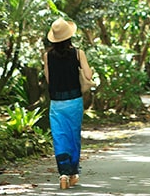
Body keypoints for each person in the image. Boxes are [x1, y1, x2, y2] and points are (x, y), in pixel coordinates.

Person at [43, 17, 93, 190]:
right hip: (74, 102)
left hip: (57, 102)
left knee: (59, 137)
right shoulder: (78, 53)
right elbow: (87, 76)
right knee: (73, 135)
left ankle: (63, 174)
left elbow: (49, 80)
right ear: (69, 36)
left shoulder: (47, 56)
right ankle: (73, 173)